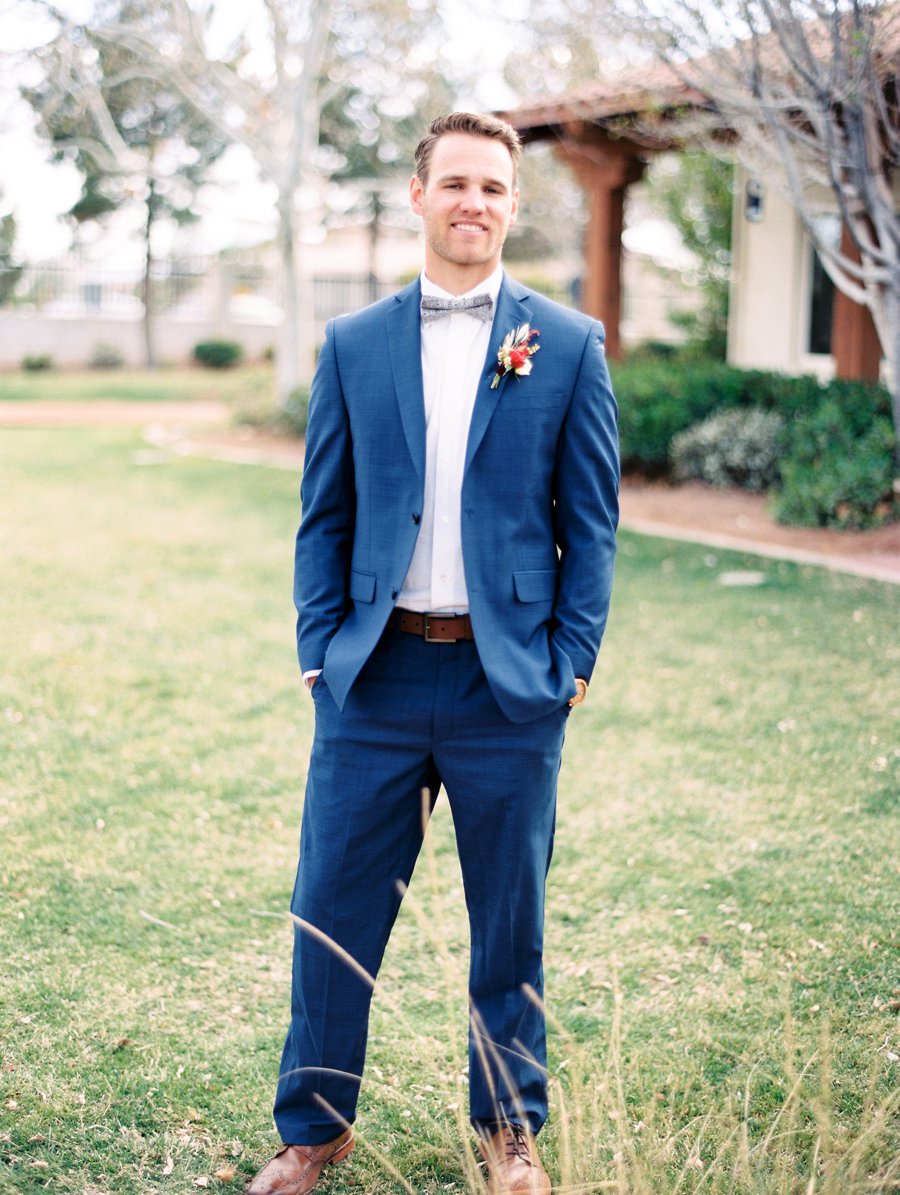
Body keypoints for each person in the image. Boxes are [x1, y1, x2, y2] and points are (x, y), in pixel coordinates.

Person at [248, 111, 619, 1195]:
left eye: (495, 188)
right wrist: (320, 646)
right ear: (418, 195)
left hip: (512, 687)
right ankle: (312, 1130)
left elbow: (590, 526)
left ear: (512, 204)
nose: (475, 203)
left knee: (510, 920)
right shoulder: (353, 343)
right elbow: (324, 512)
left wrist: (572, 664)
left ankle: (510, 1129)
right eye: (455, 183)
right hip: (374, 678)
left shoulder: (567, 343)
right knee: (334, 912)